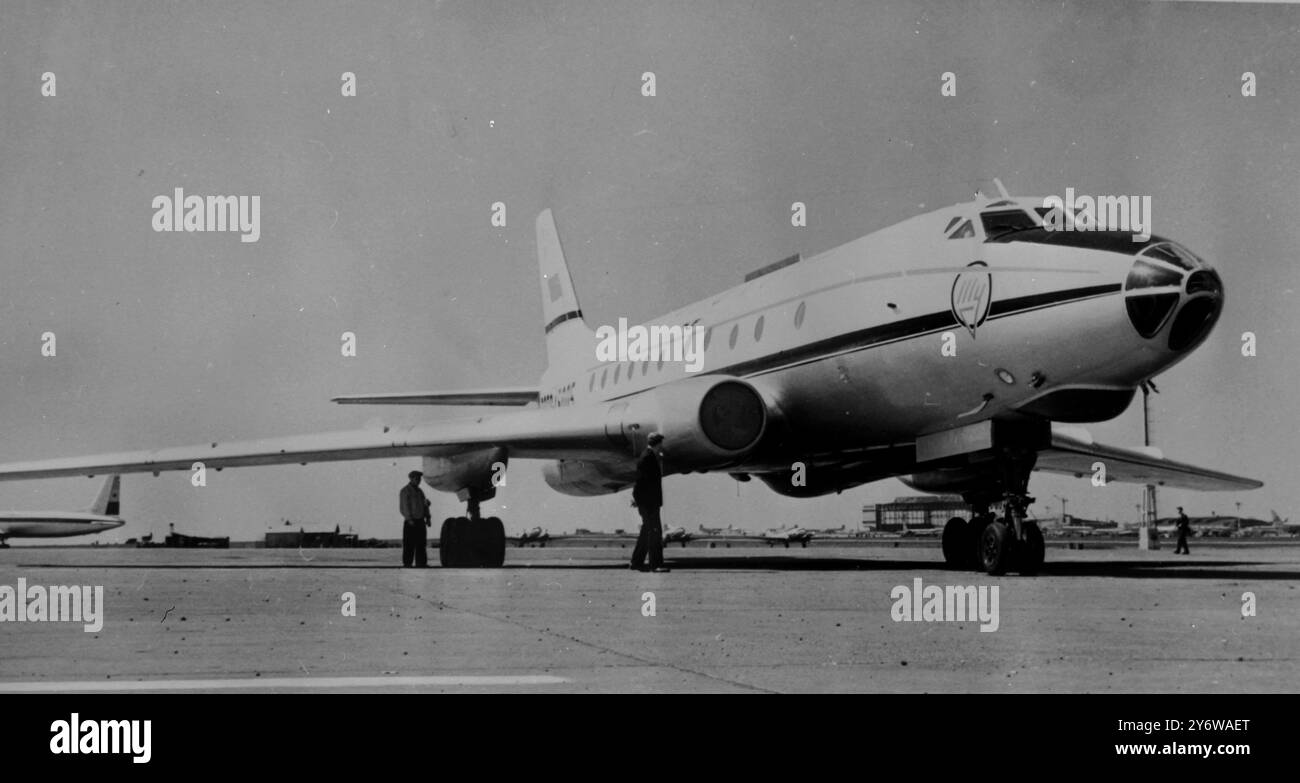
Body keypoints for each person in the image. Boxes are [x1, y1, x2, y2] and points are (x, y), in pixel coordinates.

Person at [630, 433, 669, 573]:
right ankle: (655, 564)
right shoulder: (648, 458)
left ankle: (636, 562)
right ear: (658, 444)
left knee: (647, 531)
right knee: (654, 532)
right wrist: (638, 499)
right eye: (661, 444)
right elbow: (640, 481)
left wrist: (637, 499)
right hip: (649, 503)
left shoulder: (648, 456)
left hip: (647, 502)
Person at [400, 470, 431, 567]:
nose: (419, 481)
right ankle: (407, 563)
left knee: (421, 544)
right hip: (411, 521)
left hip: (420, 520)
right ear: (411, 479)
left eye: (419, 479)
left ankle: (421, 563)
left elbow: (425, 505)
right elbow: (404, 506)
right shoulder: (405, 491)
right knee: (409, 544)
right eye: (417, 479)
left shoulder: (420, 491)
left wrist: (428, 517)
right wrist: (409, 519)